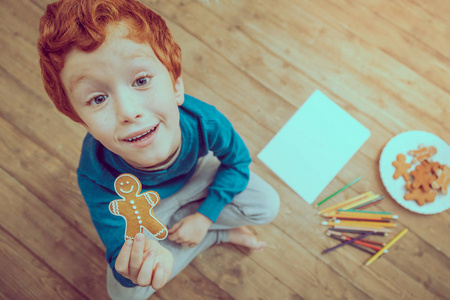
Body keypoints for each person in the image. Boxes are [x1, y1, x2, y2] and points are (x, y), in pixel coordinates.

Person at [38, 0, 280, 299]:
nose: (128, 111)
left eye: (141, 80)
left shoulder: (207, 122)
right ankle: (217, 235)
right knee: (124, 293)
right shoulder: (95, 176)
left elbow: (237, 163)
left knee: (267, 204)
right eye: (98, 99)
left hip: (198, 176)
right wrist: (137, 266)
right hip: (145, 211)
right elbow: (118, 252)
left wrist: (204, 216)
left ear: (176, 84)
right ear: (81, 120)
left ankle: (196, 228)